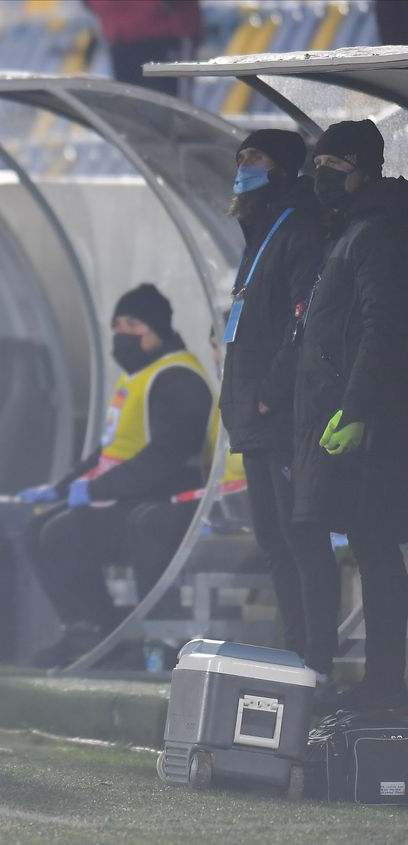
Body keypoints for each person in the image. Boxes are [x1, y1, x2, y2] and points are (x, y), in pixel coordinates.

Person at [19, 284, 213, 668]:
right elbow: (111, 450)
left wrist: (95, 489)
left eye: (133, 323)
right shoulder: (138, 376)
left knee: (62, 535)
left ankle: (111, 636)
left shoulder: (178, 378)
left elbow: (166, 457)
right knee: (36, 530)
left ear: (157, 327)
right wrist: (61, 488)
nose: (121, 333)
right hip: (129, 495)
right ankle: (87, 628)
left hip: (163, 499)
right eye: (117, 325)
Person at [293, 120, 408, 710]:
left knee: (377, 547)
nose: (322, 177)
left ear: (364, 167)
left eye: (334, 167)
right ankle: (382, 681)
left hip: (373, 424)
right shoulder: (350, 230)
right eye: (318, 166)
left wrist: (357, 409)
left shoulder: (376, 234)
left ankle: (387, 683)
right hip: (339, 416)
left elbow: (381, 329)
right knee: (369, 546)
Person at [218, 129, 338, 684]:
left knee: (300, 537)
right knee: (272, 540)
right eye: (241, 156)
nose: (244, 165)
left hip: (284, 413)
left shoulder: (298, 228)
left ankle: (318, 662)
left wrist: (269, 390)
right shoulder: (259, 232)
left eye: (256, 156)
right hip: (256, 416)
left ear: (286, 168)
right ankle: (296, 658)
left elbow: (302, 318)